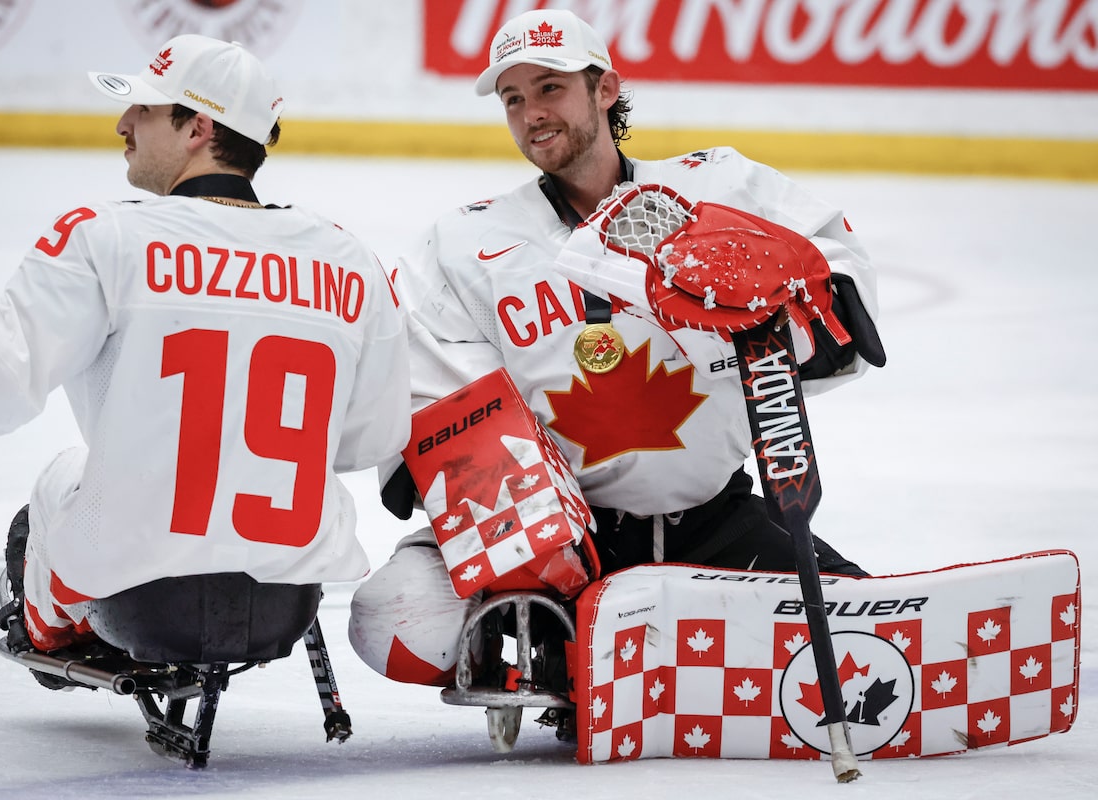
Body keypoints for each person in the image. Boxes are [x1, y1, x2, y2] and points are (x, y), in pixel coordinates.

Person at [348, 9, 886, 697]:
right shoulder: (463, 243)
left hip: (712, 524)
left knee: (871, 646)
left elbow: (844, 309)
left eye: (549, 89)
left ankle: (626, 652)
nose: (530, 114)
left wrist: (780, 303)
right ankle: (561, 645)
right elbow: (427, 408)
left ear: (605, 89)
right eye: (513, 99)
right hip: (559, 550)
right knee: (391, 615)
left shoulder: (717, 188)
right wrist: (519, 536)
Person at [0, 35, 410, 668]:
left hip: (136, 596)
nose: (122, 123)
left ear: (197, 126)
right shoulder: (348, 258)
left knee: (63, 478)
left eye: (142, 108)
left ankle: (53, 623)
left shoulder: (107, 236)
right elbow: (371, 436)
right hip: (288, 601)